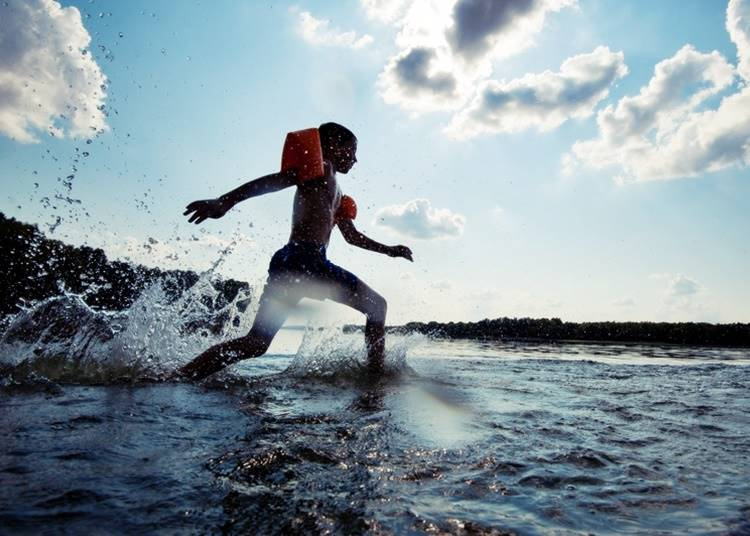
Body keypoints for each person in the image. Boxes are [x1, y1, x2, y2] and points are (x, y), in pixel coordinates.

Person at [178, 122, 413, 380]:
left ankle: (181, 374)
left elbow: (352, 237)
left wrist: (390, 250)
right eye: (351, 150)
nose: (355, 159)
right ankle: (376, 378)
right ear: (333, 144)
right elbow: (276, 181)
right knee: (377, 307)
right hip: (306, 259)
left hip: (290, 261)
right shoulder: (320, 170)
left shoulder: (340, 195)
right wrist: (224, 201)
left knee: (257, 343)